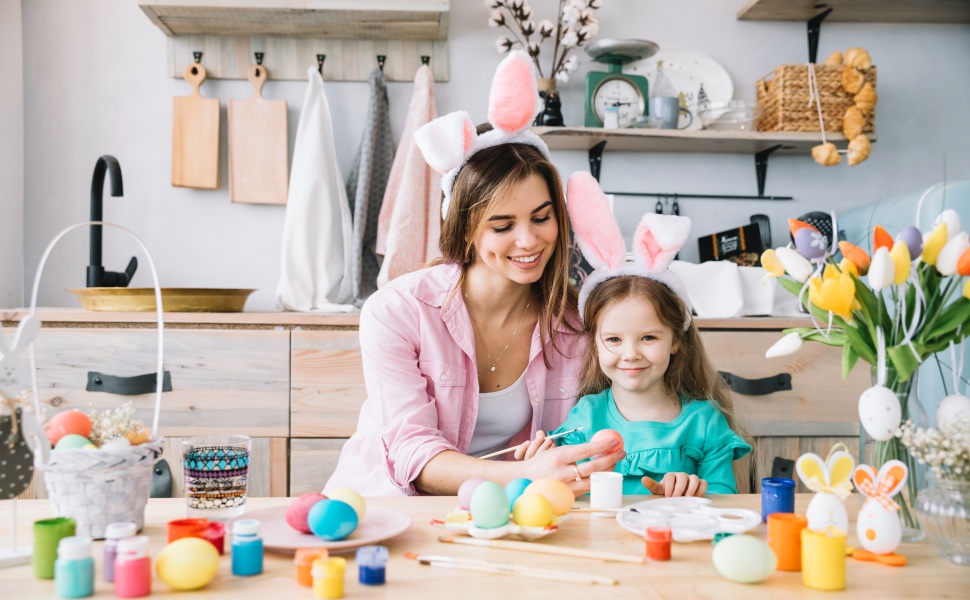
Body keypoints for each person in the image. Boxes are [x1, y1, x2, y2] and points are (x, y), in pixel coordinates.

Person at [324, 51, 624, 497]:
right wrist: (529, 475)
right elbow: (412, 455)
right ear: (464, 229)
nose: (528, 241)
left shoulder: (577, 326)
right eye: (502, 226)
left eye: (542, 218)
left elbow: (609, 423)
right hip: (386, 507)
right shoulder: (397, 311)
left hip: (507, 512)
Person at [514, 174, 752, 496]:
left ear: (677, 340)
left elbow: (725, 501)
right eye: (613, 339)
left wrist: (697, 492)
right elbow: (560, 493)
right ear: (595, 343)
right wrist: (537, 469)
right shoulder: (586, 417)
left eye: (649, 338)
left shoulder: (704, 423)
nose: (630, 354)